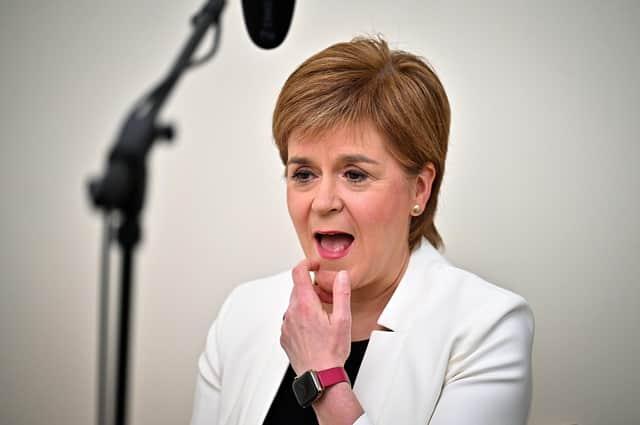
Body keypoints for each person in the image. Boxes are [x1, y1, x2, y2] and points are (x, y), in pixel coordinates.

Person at [190, 36, 534, 425]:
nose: (323, 202)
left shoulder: (486, 328)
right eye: (303, 174)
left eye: (355, 174)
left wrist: (323, 375)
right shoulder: (242, 311)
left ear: (419, 188)